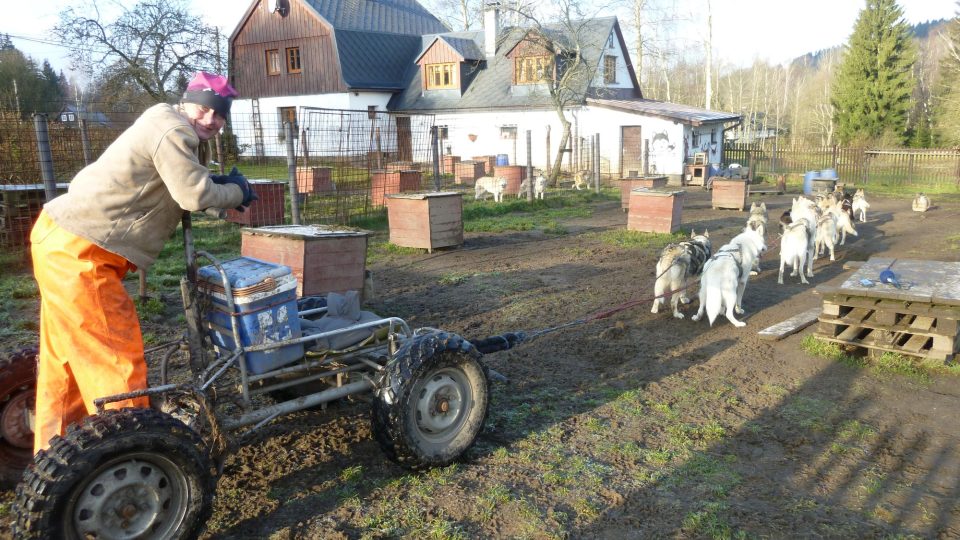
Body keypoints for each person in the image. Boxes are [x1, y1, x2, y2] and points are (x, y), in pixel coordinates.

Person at [30, 71, 256, 454]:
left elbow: (178, 177)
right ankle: (132, 457)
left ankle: (56, 456)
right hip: (82, 255)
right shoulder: (173, 131)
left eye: (219, 116)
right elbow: (193, 195)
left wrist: (215, 181)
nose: (209, 120)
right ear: (187, 103)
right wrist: (238, 192)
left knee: (65, 365)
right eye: (203, 109)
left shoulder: (165, 123)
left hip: (59, 240)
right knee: (116, 361)